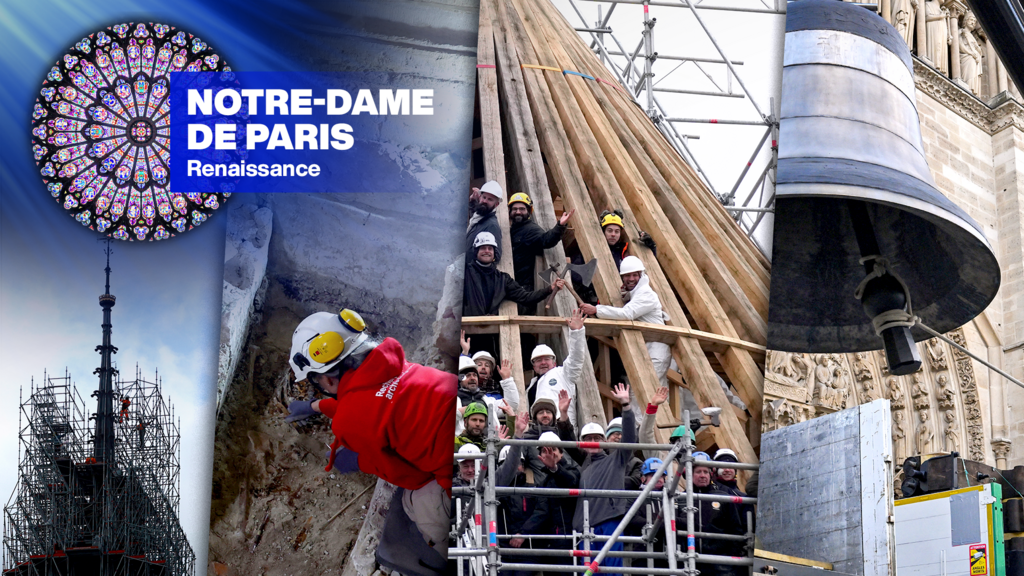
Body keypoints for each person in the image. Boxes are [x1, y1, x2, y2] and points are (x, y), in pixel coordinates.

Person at [285, 308, 455, 561]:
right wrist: (315, 406)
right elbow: (377, 401)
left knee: (412, 499)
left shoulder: (349, 422)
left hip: (459, 481)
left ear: (327, 380)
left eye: (317, 383)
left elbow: (410, 475)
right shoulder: (397, 365)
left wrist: (357, 461)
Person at [580, 256, 671, 389]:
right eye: (627, 275)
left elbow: (627, 313)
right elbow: (633, 300)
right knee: (647, 391)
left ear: (641, 275)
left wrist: (596, 309)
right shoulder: (638, 292)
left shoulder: (646, 294)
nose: (631, 279)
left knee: (648, 390)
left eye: (635, 275)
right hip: (647, 349)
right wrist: (626, 294)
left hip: (656, 351)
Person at [573, 384, 634, 572]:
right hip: (584, 527)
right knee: (589, 572)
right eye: (588, 438)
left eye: (596, 437)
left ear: (605, 440)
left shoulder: (616, 459)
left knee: (611, 570)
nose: (592, 442)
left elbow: (630, 438)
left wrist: (626, 407)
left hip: (609, 521)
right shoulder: (584, 469)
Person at [463, 232, 563, 317]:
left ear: (494, 252)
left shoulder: (502, 279)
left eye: (490, 248)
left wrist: (549, 289)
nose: (487, 251)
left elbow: (526, 297)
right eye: (483, 248)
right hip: (465, 332)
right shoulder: (464, 273)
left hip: (490, 332)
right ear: (476, 251)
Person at [686, 452, 746, 576]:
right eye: (698, 472)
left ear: (711, 474)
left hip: (720, 565)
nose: (703, 476)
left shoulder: (723, 498)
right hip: (689, 561)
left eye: (706, 472)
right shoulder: (681, 498)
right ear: (689, 474)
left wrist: (730, 559)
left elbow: (736, 529)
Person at [526, 308, 586, 428]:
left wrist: (576, 332)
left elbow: (576, 358)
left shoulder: (564, 373)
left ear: (554, 362)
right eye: (538, 360)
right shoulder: (530, 387)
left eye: (547, 359)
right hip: (539, 433)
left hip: (563, 429)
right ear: (534, 367)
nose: (543, 362)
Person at [508, 192, 574, 293]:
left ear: (529, 211)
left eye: (522, 209)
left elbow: (546, 240)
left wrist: (560, 226)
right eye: (515, 209)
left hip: (522, 287)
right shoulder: (510, 229)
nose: (518, 212)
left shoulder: (531, 229)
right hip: (509, 283)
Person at [454, 354, 518, 436]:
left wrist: (507, 380)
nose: (473, 378)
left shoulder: (487, 400)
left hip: (487, 445)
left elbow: (511, 405)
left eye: (474, 375)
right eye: (468, 376)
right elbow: (441, 421)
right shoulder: (450, 399)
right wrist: (459, 412)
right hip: (460, 445)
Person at [467, 180, 505, 263]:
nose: (485, 201)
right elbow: (476, 212)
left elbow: (496, 255)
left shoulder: (491, 225)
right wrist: (472, 201)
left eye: (490, 199)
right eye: (484, 197)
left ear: (496, 204)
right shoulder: (480, 217)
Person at [605, 416, 644, 491]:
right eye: (616, 433)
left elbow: (635, 481)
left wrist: (606, 480)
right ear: (607, 438)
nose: (619, 437)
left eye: (623, 435)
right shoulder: (599, 459)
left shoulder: (636, 463)